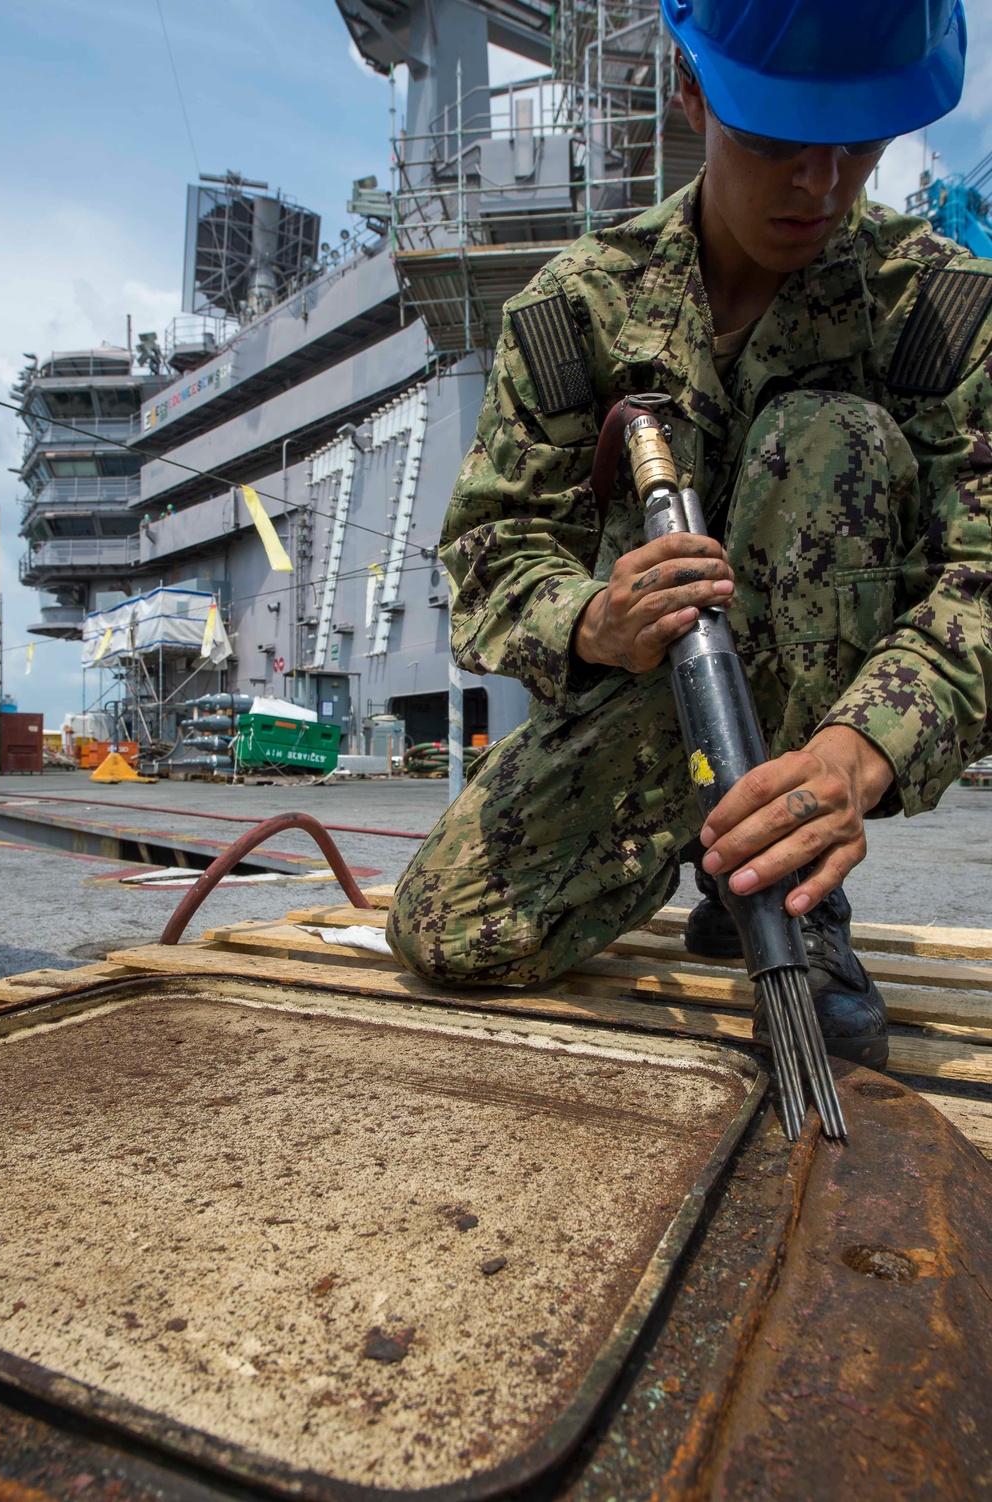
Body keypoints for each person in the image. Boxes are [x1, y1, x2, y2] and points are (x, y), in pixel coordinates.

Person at [387, 0, 990, 1071]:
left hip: (830, 725)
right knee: (454, 930)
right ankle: (717, 848)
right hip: (648, 698)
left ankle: (789, 898)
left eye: (856, 143)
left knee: (823, 440)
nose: (820, 183)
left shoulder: (936, 311)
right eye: (776, 140)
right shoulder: (575, 311)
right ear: (691, 91)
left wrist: (859, 760)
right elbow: (492, 549)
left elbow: (981, 577)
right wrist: (594, 619)